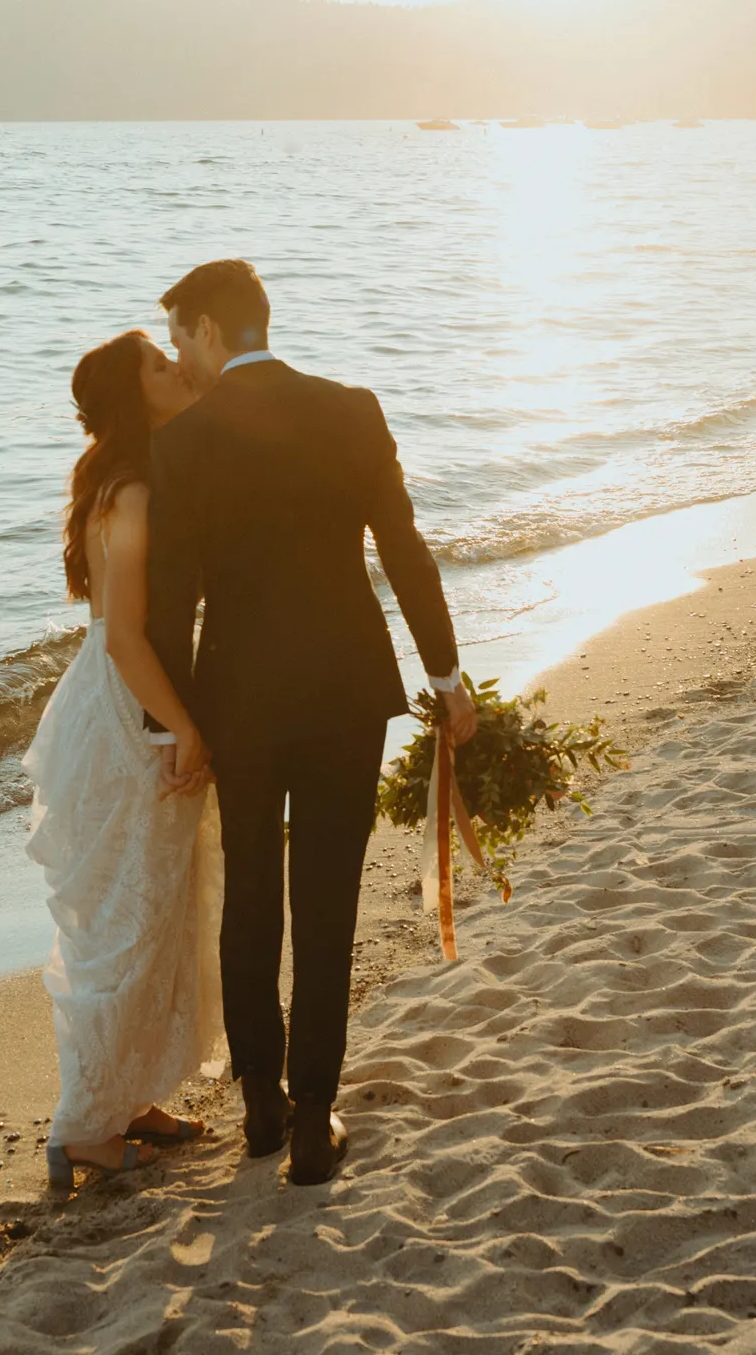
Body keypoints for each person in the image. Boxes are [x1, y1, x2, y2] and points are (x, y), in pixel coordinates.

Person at [145, 258, 476, 1187]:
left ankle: (261, 1103)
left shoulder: (183, 445)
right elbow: (404, 549)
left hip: (239, 704)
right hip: (343, 692)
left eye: (180, 339)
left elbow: (169, 609)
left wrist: (171, 725)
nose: (182, 359)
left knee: (251, 892)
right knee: (325, 903)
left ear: (210, 330)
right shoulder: (352, 409)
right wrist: (446, 675)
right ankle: (312, 1114)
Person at [24, 330, 223, 1191]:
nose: (173, 368)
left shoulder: (122, 480)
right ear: (135, 398)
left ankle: (130, 1097)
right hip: (129, 703)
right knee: (127, 924)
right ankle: (85, 1128)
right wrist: (185, 727)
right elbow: (131, 635)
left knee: (151, 910)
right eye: (157, 364)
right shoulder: (133, 490)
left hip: (111, 696)